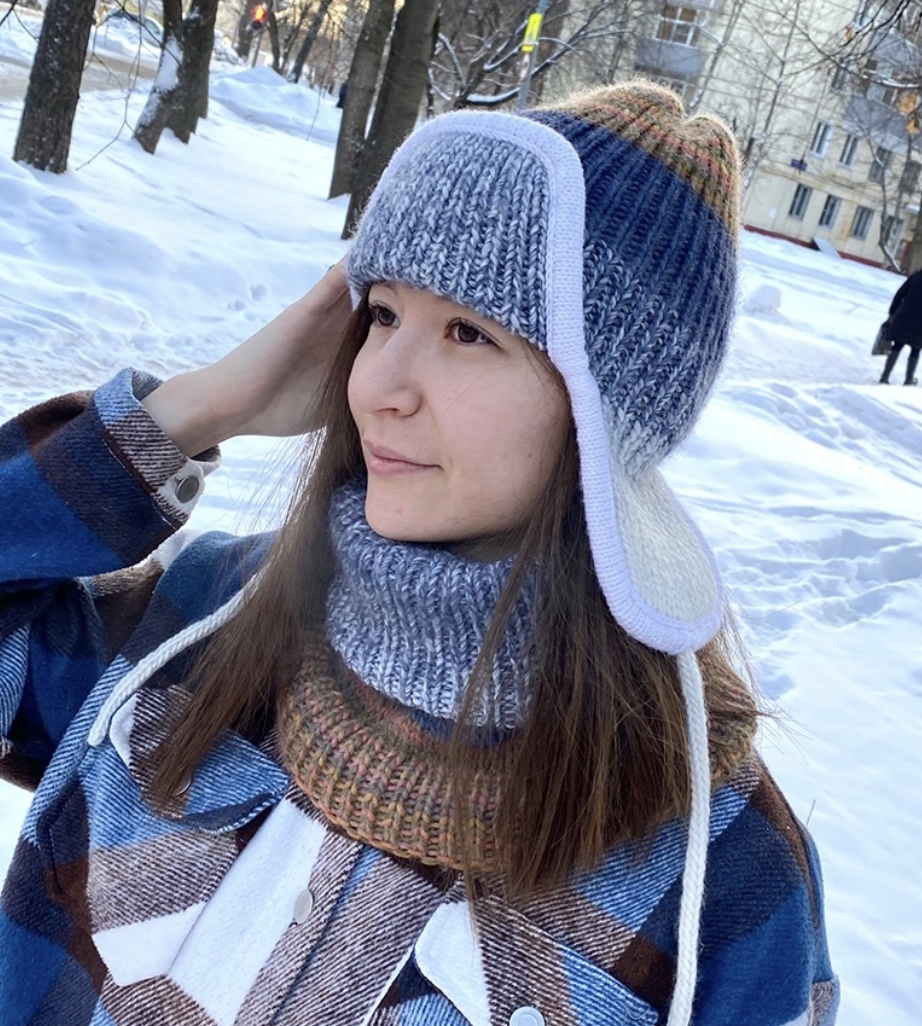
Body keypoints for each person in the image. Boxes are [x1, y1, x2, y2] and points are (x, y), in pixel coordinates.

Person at [0, 83, 838, 1026]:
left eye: (468, 333)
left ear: (608, 417)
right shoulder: (191, 631)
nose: (378, 386)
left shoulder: (722, 870)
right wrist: (196, 409)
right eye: (384, 314)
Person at [879, 266, 922, 385]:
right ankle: (908, 380)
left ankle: (885, 377)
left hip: (904, 316)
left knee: (898, 344)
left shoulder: (916, 277)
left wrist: (892, 313)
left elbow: (899, 295)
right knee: (916, 349)